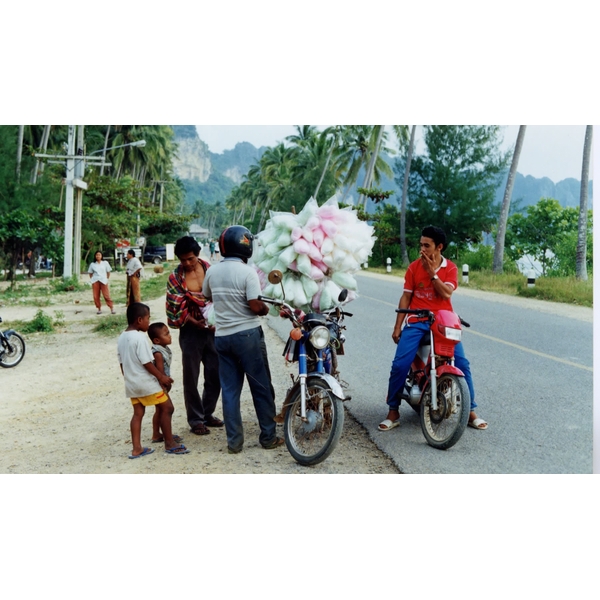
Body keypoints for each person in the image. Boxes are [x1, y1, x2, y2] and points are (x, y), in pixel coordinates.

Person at [378, 225, 488, 432]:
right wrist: (397, 326)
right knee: (400, 364)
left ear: (439, 247)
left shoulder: (451, 268)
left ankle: (470, 411)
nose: (422, 250)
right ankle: (393, 411)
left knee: (463, 364)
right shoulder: (413, 268)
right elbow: (406, 296)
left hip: (444, 322)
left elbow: (446, 294)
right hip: (417, 321)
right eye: (420, 245)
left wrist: (431, 274)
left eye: (426, 246)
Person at [202, 225, 282, 454]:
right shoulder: (247, 273)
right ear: (246, 246)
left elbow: (207, 295)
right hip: (248, 336)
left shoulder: (213, 271)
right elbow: (255, 306)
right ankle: (268, 437)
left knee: (229, 391)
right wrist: (267, 309)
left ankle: (234, 442)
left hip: (223, 337)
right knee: (261, 388)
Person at [166, 236, 223, 436]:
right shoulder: (175, 278)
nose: (188, 263)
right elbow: (175, 305)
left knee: (215, 373)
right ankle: (196, 419)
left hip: (213, 329)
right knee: (191, 376)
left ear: (198, 254)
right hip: (190, 331)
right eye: (183, 260)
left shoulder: (211, 270)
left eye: (191, 258)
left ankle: (208, 413)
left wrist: (216, 321)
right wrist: (193, 321)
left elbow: (221, 296)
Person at [117, 303, 189, 458]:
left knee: (138, 414)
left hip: (132, 384)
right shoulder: (140, 338)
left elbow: (122, 363)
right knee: (167, 408)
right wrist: (161, 377)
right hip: (146, 383)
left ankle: (137, 449)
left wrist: (129, 380)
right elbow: (147, 363)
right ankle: (169, 443)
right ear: (139, 320)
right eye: (148, 319)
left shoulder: (122, 337)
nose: (148, 323)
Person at [148, 322, 184, 445]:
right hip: (159, 385)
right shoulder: (157, 353)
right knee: (167, 408)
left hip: (161, 384)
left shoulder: (163, 349)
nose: (170, 336)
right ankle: (165, 437)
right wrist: (164, 383)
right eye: (166, 334)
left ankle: (157, 434)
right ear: (157, 340)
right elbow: (160, 372)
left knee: (159, 409)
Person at [88, 250, 116, 315]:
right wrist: (93, 279)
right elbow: (90, 273)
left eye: (99, 255)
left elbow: (108, 272)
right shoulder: (92, 264)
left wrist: (106, 278)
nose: (98, 256)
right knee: (96, 296)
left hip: (103, 280)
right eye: (97, 255)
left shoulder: (105, 263)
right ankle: (99, 308)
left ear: (101, 256)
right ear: (95, 256)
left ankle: (111, 308)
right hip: (95, 280)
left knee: (106, 295)